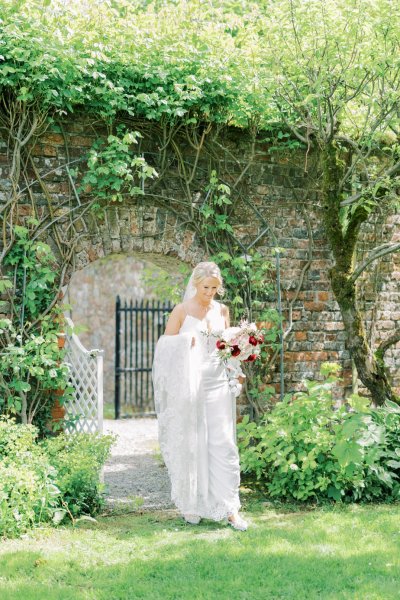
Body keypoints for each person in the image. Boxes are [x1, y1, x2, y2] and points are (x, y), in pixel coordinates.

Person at [152, 261, 248, 531]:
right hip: (192, 385)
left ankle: (230, 508)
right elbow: (164, 348)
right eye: (206, 287)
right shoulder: (181, 311)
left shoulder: (222, 310)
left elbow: (227, 347)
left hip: (218, 383)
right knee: (195, 443)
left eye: (215, 288)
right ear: (195, 284)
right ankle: (192, 505)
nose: (210, 293)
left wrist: (235, 368)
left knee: (222, 443)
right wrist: (185, 343)